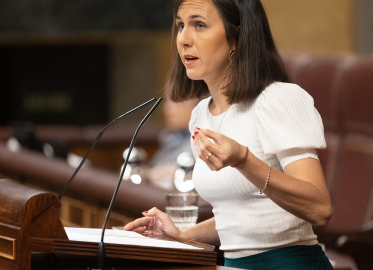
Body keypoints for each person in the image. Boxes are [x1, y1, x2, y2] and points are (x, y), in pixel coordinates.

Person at [124, 0, 333, 269]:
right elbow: (239, 217)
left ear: (237, 37)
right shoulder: (202, 114)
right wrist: (180, 235)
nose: (184, 40)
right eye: (180, 26)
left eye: (199, 25)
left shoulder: (278, 99)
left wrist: (244, 160)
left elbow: (319, 208)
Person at [146, 97, 199, 190]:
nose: (168, 109)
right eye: (168, 102)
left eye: (177, 104)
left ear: (196, 110)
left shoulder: (198, 145)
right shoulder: (170, 138)